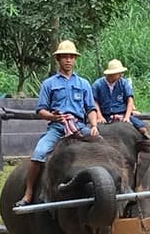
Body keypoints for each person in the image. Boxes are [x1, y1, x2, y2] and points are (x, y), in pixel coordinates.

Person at [15, 40, 98, 207]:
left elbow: (90, 108)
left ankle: (114, 190)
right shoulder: (49, 84)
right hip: (57, 127)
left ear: (75, 60)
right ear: (58, 59)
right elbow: (41, 110)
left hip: (79, 126)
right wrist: (53, 118)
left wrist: (94, 125)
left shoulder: (83, 83)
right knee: (39, 153)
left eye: (71, 57)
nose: (68, 60)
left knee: (103, 147)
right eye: (65, 57)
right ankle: (29, 192)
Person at [91, 59, 150, 140]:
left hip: (122, 113)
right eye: (118, 73)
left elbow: (130, 100)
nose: (121, 75)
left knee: (142, 129)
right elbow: (94, 101)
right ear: (112, 73)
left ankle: (149, 141)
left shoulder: (124, 83)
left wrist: (127, 117)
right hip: (105, 114)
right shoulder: (98, 84)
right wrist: (99, 116)